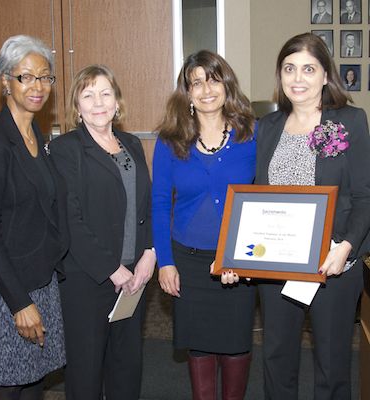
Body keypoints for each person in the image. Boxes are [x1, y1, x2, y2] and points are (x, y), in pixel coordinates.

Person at [256, 32, 370, 399]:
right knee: (276, 358)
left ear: (325, 75)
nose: (298, 78)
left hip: (333, 263)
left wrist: (347, 247)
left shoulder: (350, 121)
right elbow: (258, 197)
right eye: (289, 69)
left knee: (333, 364)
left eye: (308, 68)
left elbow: (365, 195)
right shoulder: (268, 127)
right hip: (278, 263)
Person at [152, 50, 257, 400]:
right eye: (196, 82)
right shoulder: (170, 140)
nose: (206, 89)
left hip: (238, 258)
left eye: (213, 79)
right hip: (188, 262)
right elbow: (159, 203)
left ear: (226, 85)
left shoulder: (251, 136)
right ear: (187, 92)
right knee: (199, 347)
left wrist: (241, 259)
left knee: (236, 344)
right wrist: (165, 262)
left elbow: (265, 200)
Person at [49, 64, 156, 400]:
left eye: (105, 93)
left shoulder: (131, 145)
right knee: (86, 374)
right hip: (88, 280)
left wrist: (149, 254)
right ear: (76, 106)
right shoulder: (66, 149)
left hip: (134, 279)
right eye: (88, 94)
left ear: (117, 101)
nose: (98, 102)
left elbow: (145, 205)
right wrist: (113, 269)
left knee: (127, 368)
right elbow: (71, 220)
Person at [0, 35, 67, 399]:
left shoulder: (34, 134)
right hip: (4, 290)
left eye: (45, 77)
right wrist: (19, 303)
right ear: (5, 81)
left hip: (38, 279)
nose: (38, 86)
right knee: (10, 385)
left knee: (34, 380)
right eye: (26, 77)